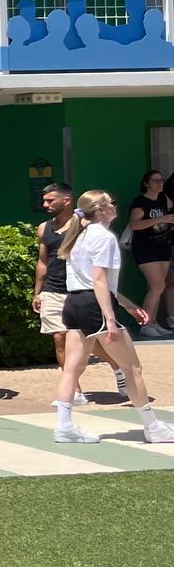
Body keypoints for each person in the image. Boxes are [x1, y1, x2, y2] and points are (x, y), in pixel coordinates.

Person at [48, 191, 167, 445]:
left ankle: (64, 427)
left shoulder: (78, 235)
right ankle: (153, 427)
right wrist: (110, 319)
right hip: (94, 306)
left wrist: (127, 305)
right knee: (132, 367)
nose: (115, 206)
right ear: (101, 209)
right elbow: (99, 281)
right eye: (111, 203)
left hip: (74, 304)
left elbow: (95, 282)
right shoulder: (103, 237)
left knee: (72, 368)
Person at [34, 181, 126, 404]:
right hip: (53, 291)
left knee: (92, 341)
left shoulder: (86, 227)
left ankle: (118, 366)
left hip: (81, 291)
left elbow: (98, 272)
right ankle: (74, 391)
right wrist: (38, 292)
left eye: (50, 200)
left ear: (66, 200)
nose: (45, 205)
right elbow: (42, 262)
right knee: (60, 337)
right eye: (44, 201)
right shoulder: (44, 228)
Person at [126, 169, 174, 338]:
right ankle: (146, 324)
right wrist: (161, 219)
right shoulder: (140, 202)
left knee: (158, 286)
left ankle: (152, 322)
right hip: (145, 247)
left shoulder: (164, 199)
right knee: (157, 285)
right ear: (146, 183)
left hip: (162, 245)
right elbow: (135, 225)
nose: (159, 183)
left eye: (161, 180)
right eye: (155, 180)